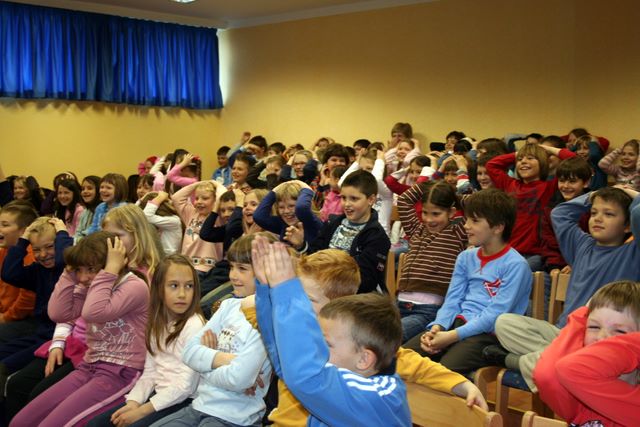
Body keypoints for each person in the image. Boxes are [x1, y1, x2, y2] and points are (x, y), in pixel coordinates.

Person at [258, 246, 487, 426]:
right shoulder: (328, 343)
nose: (300, 306)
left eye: (306, 299)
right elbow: (281, 351)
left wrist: (461, 385)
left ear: (339, 306)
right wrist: (267, 289)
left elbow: (414, 364)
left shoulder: (368, 368)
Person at [489, 186, 640, 391]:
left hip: (602, 339)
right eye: (594, 213)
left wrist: (633, 195)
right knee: (504, 323)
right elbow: (560, 214)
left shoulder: (633, 254)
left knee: (592, 357)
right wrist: (591, 196)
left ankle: (520, 362)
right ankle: (565, 364)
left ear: (628, 226)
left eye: (609, 214)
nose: (597, 218)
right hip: (563, 334)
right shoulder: (581, 246)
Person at [252, 238, 411, 426]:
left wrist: (286, 291)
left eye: (326, 344)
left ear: (364, 359)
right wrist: (266, 290)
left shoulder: (378, 397)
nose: (316, 348)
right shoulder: (349, 377)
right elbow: (285, 357)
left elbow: (307, 376)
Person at [10, 232, 149, 427]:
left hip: (121, 372)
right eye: (79, 270)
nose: (83, 277)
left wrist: (109, 271)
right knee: (21, 422)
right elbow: (58, 313)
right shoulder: (90, 284)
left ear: (114, 264)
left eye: (90, 269)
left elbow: (93, 313)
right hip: (88, 366)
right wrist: (68, 273)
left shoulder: (134, 286)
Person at [151, 234, 274, 427]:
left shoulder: (265, 319)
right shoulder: (228, 306)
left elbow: (238, 380)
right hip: (200, 406)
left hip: (236, 418)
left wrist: (205, 366)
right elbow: (188, 353)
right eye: (231, 267)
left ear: (266, 272)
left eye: (242, 269)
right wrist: (227, 360)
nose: (233, 275)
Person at [404, 189, 532, 374]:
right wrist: (437, 327)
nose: (466, 226)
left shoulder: (516, 265)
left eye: (475, 221)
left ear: (498, 227)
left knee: (442, 372)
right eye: (467, 219)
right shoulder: (466, 257)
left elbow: (495, 315)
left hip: (488, 334)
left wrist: (451, 337)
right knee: (403, 358)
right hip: (456, 324)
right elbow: (452, 300)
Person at [87, 254, 205, 427]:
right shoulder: (157, 322)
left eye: (189, 286)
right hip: (158, 395)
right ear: (159, 289)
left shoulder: (194, 325)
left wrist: (142, 411)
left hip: (184, 400)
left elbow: (185, 386)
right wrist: (133, 403)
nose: (182, 294)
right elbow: (150, 372)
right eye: (174, 285)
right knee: (97, 424)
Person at [533, 281, 640, 426]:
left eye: (620, 331)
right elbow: (547, 376)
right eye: (594, 327)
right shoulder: (580, 398)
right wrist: (581, 316)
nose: (601, 337)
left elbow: (571, 369)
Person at [0, 217, 73, 386]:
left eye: (50, 247)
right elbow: (9, 274)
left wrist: (62, 232)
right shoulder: (38, 271)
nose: (43, 255)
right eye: (37, 250)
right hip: (39, 334)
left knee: (4, 368)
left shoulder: (69, 270)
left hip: (60, 339)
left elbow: (64, 259)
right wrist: (23, 240)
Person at [293, 170, 390, 294]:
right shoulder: (333, 223)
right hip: (322, 287)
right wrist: (301, 245)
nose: (347, 204)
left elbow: (366, 281)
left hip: (353, 296)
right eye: (343, 198)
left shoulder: (377, 236)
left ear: (371, 199)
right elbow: (315, 255)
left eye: (354, 199)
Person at [396, 181, 467, 342]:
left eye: (436, 214)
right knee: (372, 329)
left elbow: (479, 207)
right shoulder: (416, 229)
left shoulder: (457, 232)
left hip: (428, 311)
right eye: (425, 213)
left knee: (389, 335)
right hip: (399, 304)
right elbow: (403, 200)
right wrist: (429, 185)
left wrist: (451, 194)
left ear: (451, 212)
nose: (429, 219)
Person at [486, 142, 576, 270]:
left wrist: (548, 149)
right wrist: (520, 153)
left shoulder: (549, 187)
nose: (523, 161)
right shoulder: (510, 185)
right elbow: (491, 165)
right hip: (508, 251)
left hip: (535, 254)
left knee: (515, 274)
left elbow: (574, 161)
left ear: (542, 163)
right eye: (520, 159)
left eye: (530, 158)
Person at [171, 181, 223, 295]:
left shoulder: (219, 217)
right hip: (187, 266)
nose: (199, 201)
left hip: (207, 268)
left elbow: (222, 195)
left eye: (205, 198)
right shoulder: (191, 214)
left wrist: (216, 184)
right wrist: (199, 183)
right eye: (197, 198)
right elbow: (176, 197)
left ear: (215, 201)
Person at [0, 201, 37, 342]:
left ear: (24, 231)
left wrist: (6, 317)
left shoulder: (30, 254)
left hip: (26, 319)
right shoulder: (5, 250)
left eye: (5, 225)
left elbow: (28, 298)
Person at [102, 204, 164, 281]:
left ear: (137, 236)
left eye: (117, 235)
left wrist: (112, 268)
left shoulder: (145, 274)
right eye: (106, 236)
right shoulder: (105, 263)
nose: (110, 241)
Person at [254, 181, 322, 247]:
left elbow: (302, 208)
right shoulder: (283, 224)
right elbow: (259, 217)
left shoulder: (311, 222)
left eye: (291, 206)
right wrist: (275, 191)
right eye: (281, 207)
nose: (286, 211)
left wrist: (306, 189)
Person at [140, 191, 183, 255]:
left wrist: (160, 197)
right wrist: (144, 197)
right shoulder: (154, 218)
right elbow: (136, 215)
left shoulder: (174, 220)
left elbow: (146, 216)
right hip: (158, 255)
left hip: (169, 258)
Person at [74, 175, 101, 241]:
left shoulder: (102, 211)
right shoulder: (85, 211)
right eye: (83, 189)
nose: (85, 191)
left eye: (89, 188)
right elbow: (78, 232)